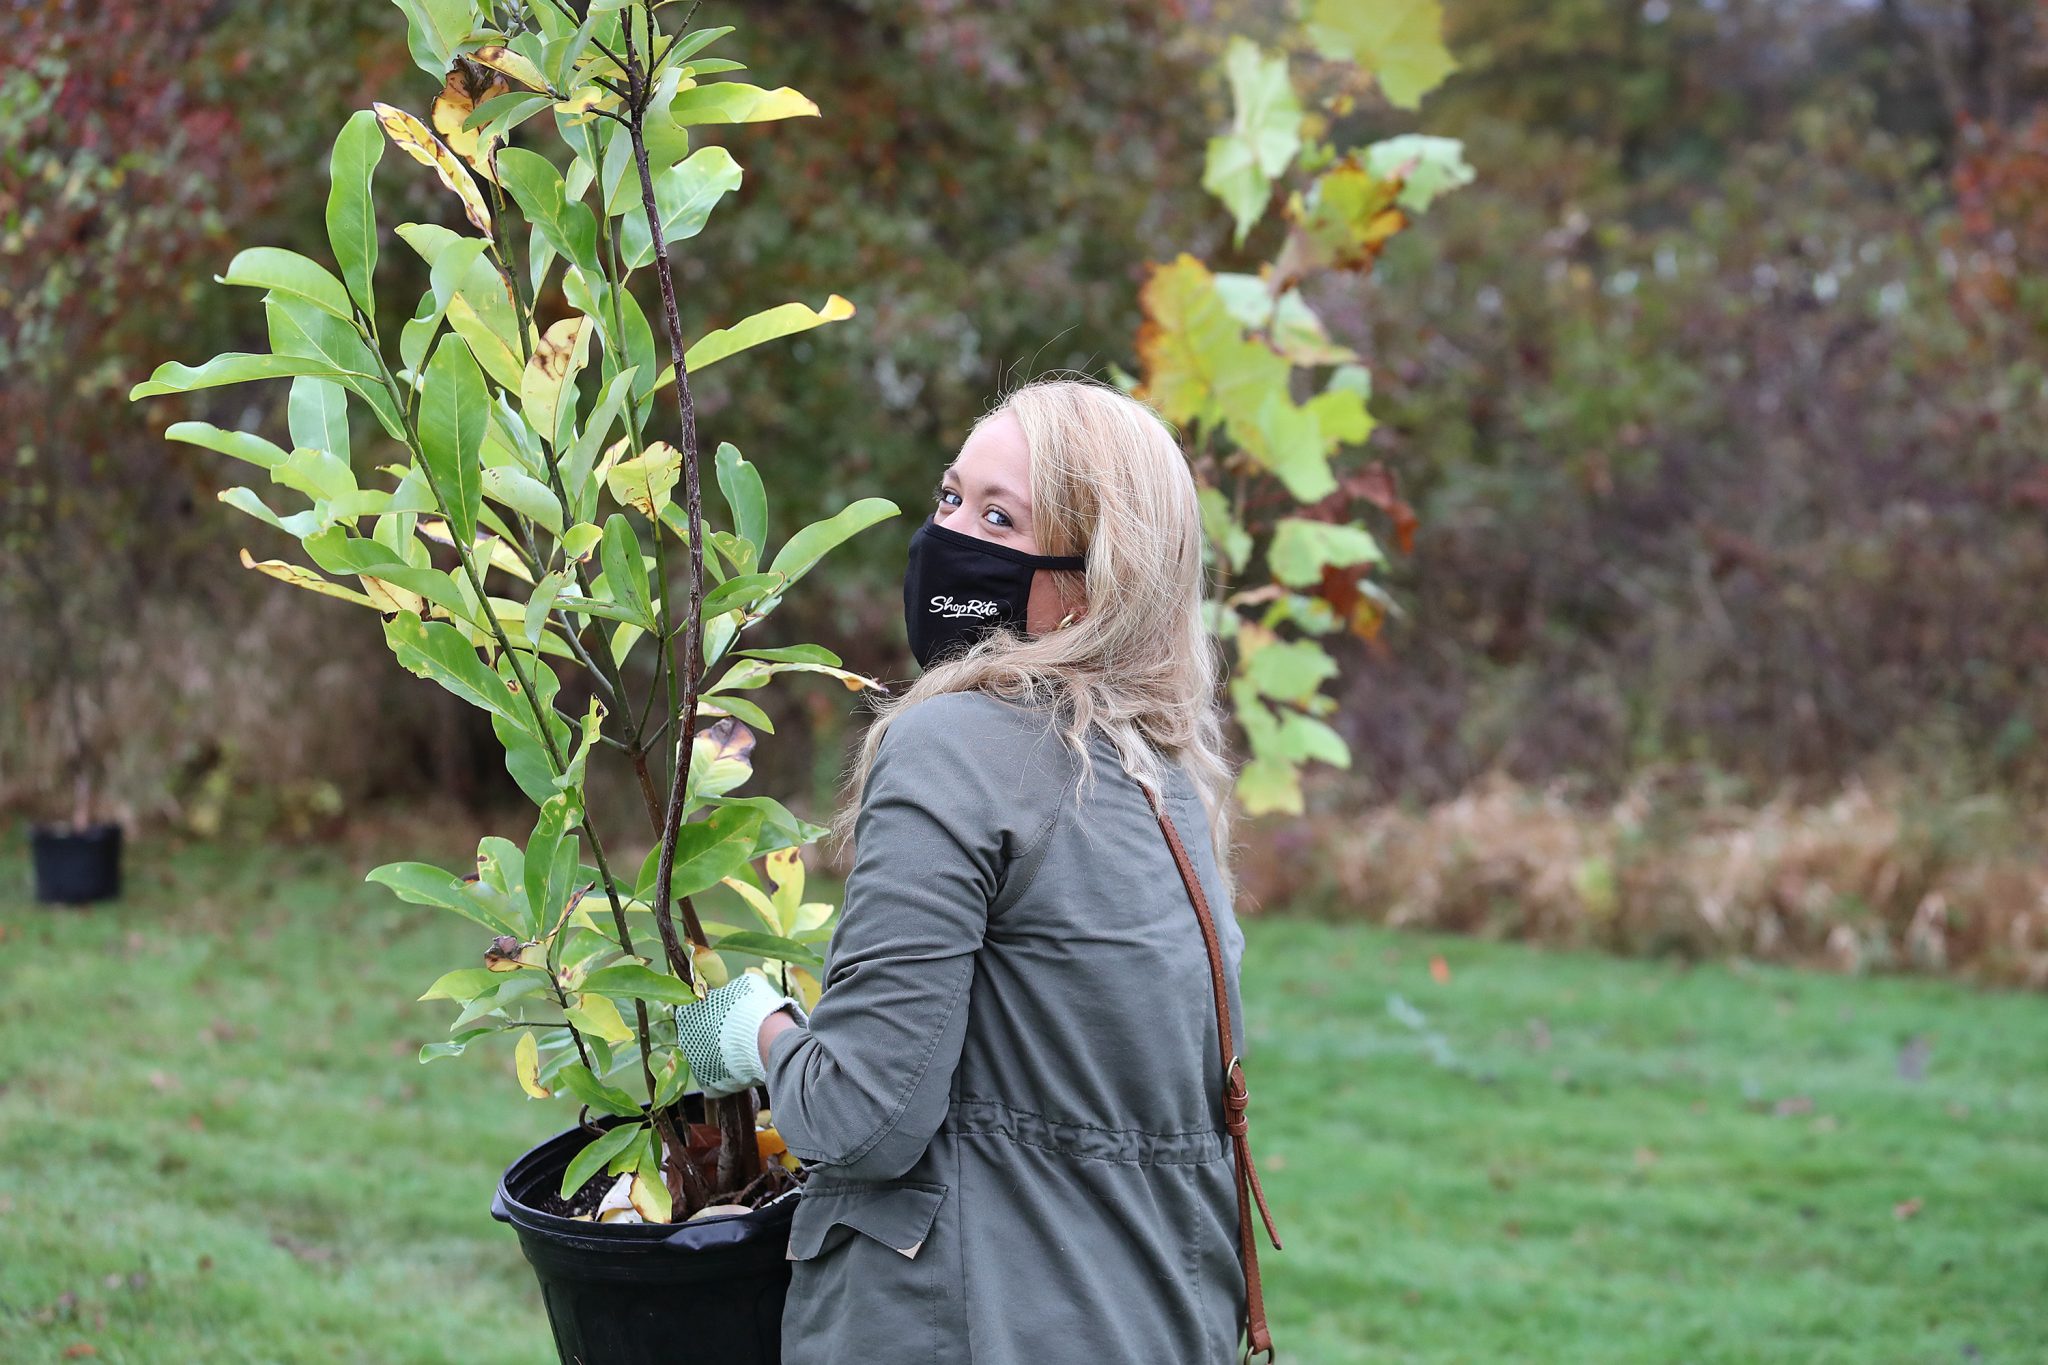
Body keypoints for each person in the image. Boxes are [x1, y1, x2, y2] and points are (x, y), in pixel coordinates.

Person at [671, 374, 1274, 1363]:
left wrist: (756, 1030)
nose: (951, 536)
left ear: (1090, 580)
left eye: (1000, 517)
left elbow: (859, 1120)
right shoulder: (1166, 784)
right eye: (950, 499)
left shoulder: (951, 745)